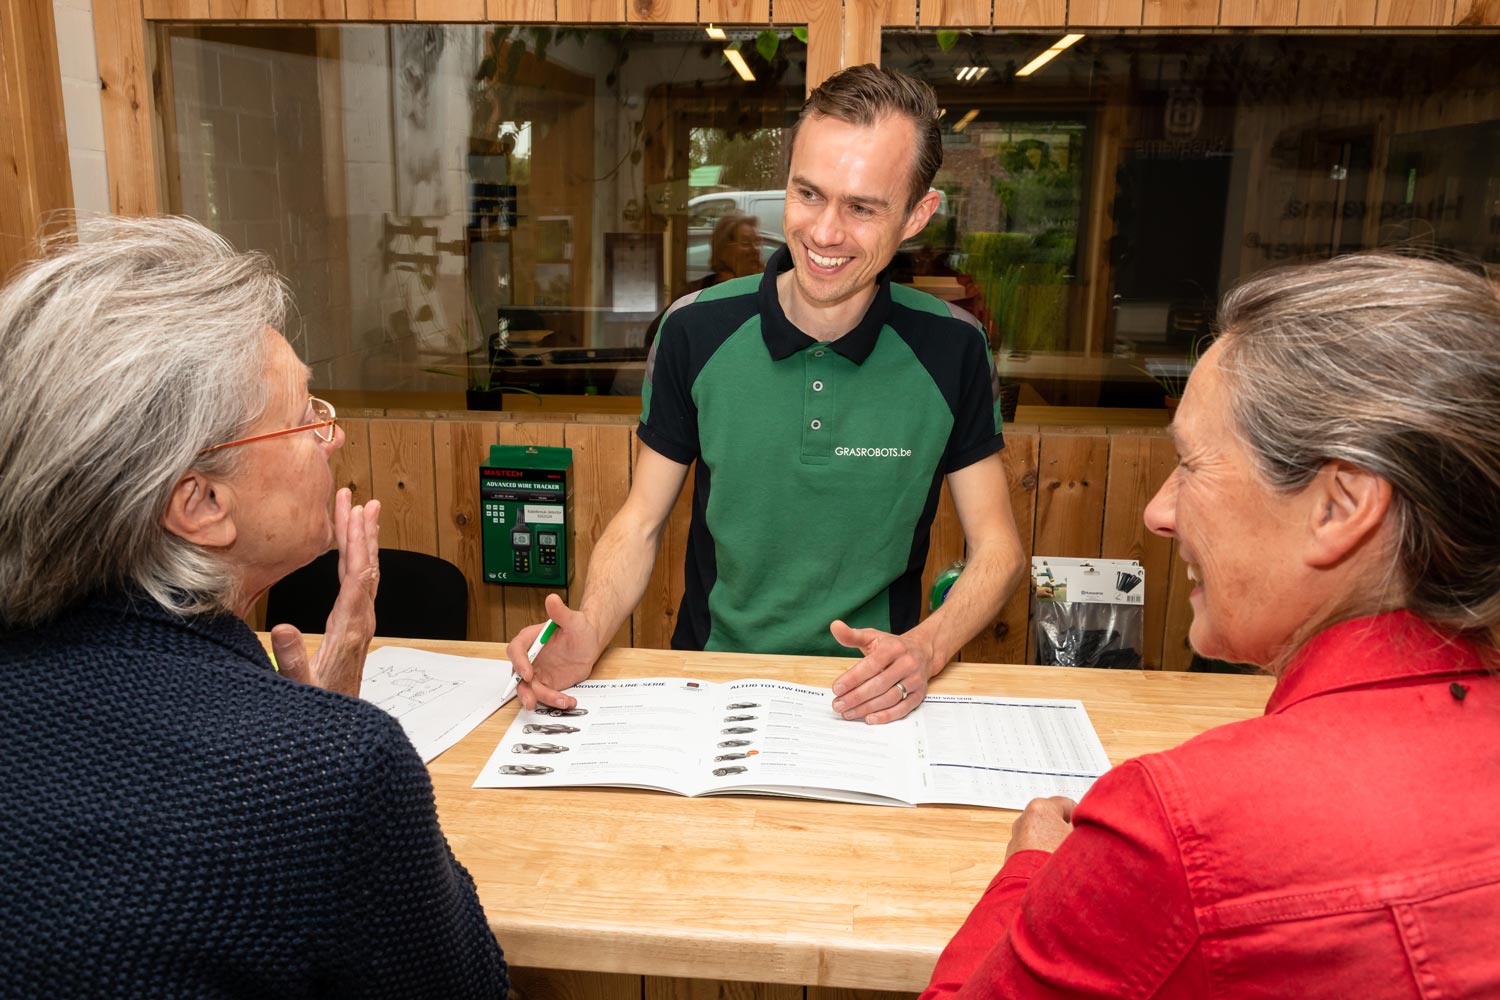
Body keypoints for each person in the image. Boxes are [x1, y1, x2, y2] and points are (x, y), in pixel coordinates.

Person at [922, 251, 1500, 998]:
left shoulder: (1182, 826)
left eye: (1191, 465)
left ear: (1340, 507)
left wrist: (1031, 870)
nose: (1158, 512)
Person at [0, 217, 507, 998]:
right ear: (201, 504)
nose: (333, 437)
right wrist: (324, 738)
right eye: (306, 418)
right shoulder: (329, 771)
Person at [509, 64, 1025, 725]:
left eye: (862, 207)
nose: (825, 233)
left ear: (917, 216)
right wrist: (590, 624)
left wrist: (928, 645)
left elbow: (998, 548)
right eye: (808, 194)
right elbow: (640, 522)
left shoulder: (953, 346)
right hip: (709, 685)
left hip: (871, 697)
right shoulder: (693, 329)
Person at [643, 210, 765, 352]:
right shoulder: (695, 295)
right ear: (722, 250)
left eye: (757, 242)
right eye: (746, 243)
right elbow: (654, 336)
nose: (755, 250)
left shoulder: (764, 292)